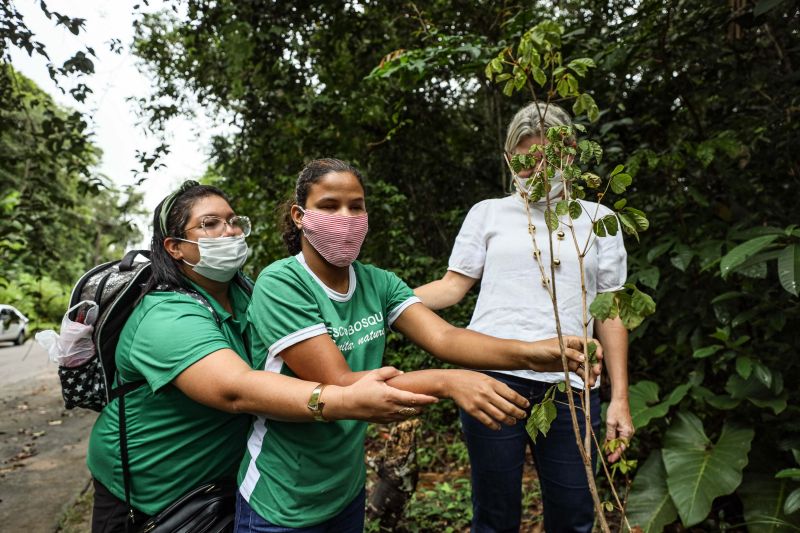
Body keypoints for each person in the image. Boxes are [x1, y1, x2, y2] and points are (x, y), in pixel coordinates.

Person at [235, 158, 603, 532]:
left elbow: (445, 337)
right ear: (300, 216)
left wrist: (536, 353)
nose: (345, 217)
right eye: (329, 206)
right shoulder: (282, 283)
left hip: (343, 489)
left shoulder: (377, 282)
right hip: (280, 494)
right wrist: (449, 382)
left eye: (356, 206)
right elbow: (343, 384)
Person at [86, 180, 440, 532]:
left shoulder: (245, 294)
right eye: (210, 224)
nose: (230, 231)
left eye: (233, 220)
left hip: (226, 482)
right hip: (154, 491)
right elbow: (236, 389)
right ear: (175, 247)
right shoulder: (166, 317)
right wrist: (342, 399)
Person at [414, 102, 635, 533]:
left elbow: (610, 312)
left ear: (568, 154)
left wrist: (620, 397)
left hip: (570, 383)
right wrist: (385, 302)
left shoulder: (599, 221)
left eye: (545, 158)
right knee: (494, 516)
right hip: (492, 378)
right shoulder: (489, 213)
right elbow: (452, 286)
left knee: (574, 514)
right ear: (509, 158)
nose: (535, 169)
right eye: (523, 159)